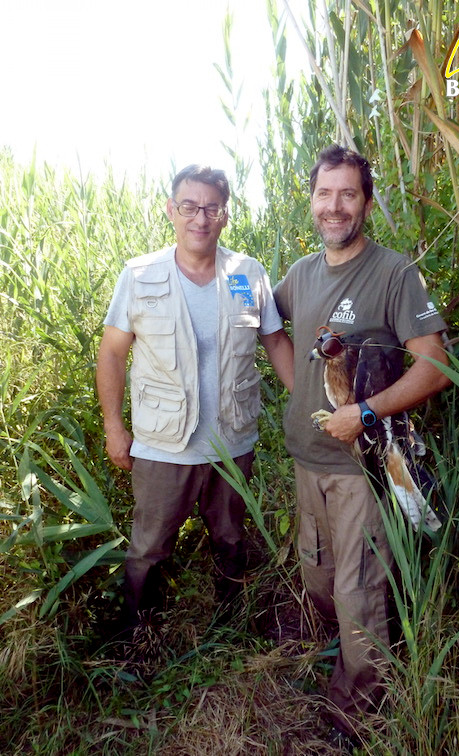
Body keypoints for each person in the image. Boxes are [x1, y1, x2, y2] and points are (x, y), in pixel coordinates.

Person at [273, 144, 451, 740]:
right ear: (313, 200)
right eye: (325, 193)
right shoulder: (299, 275)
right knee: (319, 576)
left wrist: (364, 412)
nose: (335, 206)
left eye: (348, 194)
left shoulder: (393, 273)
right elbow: (273, 332)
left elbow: (434, 367)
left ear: (366, 203)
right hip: (306, 460)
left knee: (357, 592)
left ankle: (363, 709)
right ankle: (347, 669)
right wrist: (305, 395)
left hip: (360, 468)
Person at [96, 164, 293, 632]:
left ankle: (231, 630)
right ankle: (137, 637)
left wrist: (310, 400)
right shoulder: (140, 275)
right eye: (189, 207)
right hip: (164, 446)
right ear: (171, 210)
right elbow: (111, 353)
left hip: (232, 441)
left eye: (211, 208)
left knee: (230, 538)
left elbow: (277, 344)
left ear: (225, 215)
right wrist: (113, 427)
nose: (199, 218)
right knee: (149, 547)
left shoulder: (248, 273)